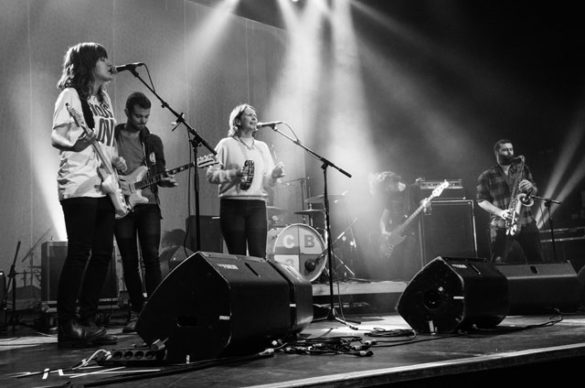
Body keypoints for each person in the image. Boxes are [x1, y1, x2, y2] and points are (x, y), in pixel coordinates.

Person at [51, 42, 126, 347]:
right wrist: (75, 144)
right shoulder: (71, 95)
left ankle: (88, 320)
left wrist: (117, 158)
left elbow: (107, 141)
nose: (110, 63)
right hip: (80, 184)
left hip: (104, 184)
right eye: (104, 59)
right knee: (80, 252)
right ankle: (67, 325)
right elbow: (56, 134)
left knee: (103, 255)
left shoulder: (104, 99)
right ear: (89, 64)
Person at [114, 92, 177, 333]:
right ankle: (136, 310)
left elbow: (158, 172)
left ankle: (154, 310)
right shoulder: (112, 135)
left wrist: (165, 181)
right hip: (120, 204)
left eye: (147, 116)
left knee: (151, 256)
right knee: (129, 260)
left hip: (148, 203)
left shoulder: (153, 141)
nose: (143, 121)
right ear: (127, 113)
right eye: (138, 116)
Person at [206, 104, 285, 258]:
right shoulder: (225, 144)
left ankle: (259, 283)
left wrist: (274, 175)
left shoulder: (262, 147)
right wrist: (233, 174)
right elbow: (211, 175)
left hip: (257, 205)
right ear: (237, 121)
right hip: (232, 206)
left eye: (255, 115)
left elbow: (267, 183)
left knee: (259, 255)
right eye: (249, 115)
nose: (254, 118)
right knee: (238, 256)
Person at [476, 139, 544, 264]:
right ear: (497, 152)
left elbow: (535, 191)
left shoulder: (523, 169)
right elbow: (481, 201)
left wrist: (531, 188)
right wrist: (501, 212)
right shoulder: (487, 175)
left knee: (537, 260)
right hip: (501, 225)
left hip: (526, 221)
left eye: (511, 149)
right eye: (505, 150)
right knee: (499, 263)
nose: (510, 152)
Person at [368, 171, 422, 281]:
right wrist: (384, 232)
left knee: (408, 268)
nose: (387, 190)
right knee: (392, 271)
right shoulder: (390, 196)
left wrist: (426, 203)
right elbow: (383, 218)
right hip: (395, 235)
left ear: (392, 181)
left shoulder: (413, 190)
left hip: (410, 233)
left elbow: (423, 203)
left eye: (387, 187)